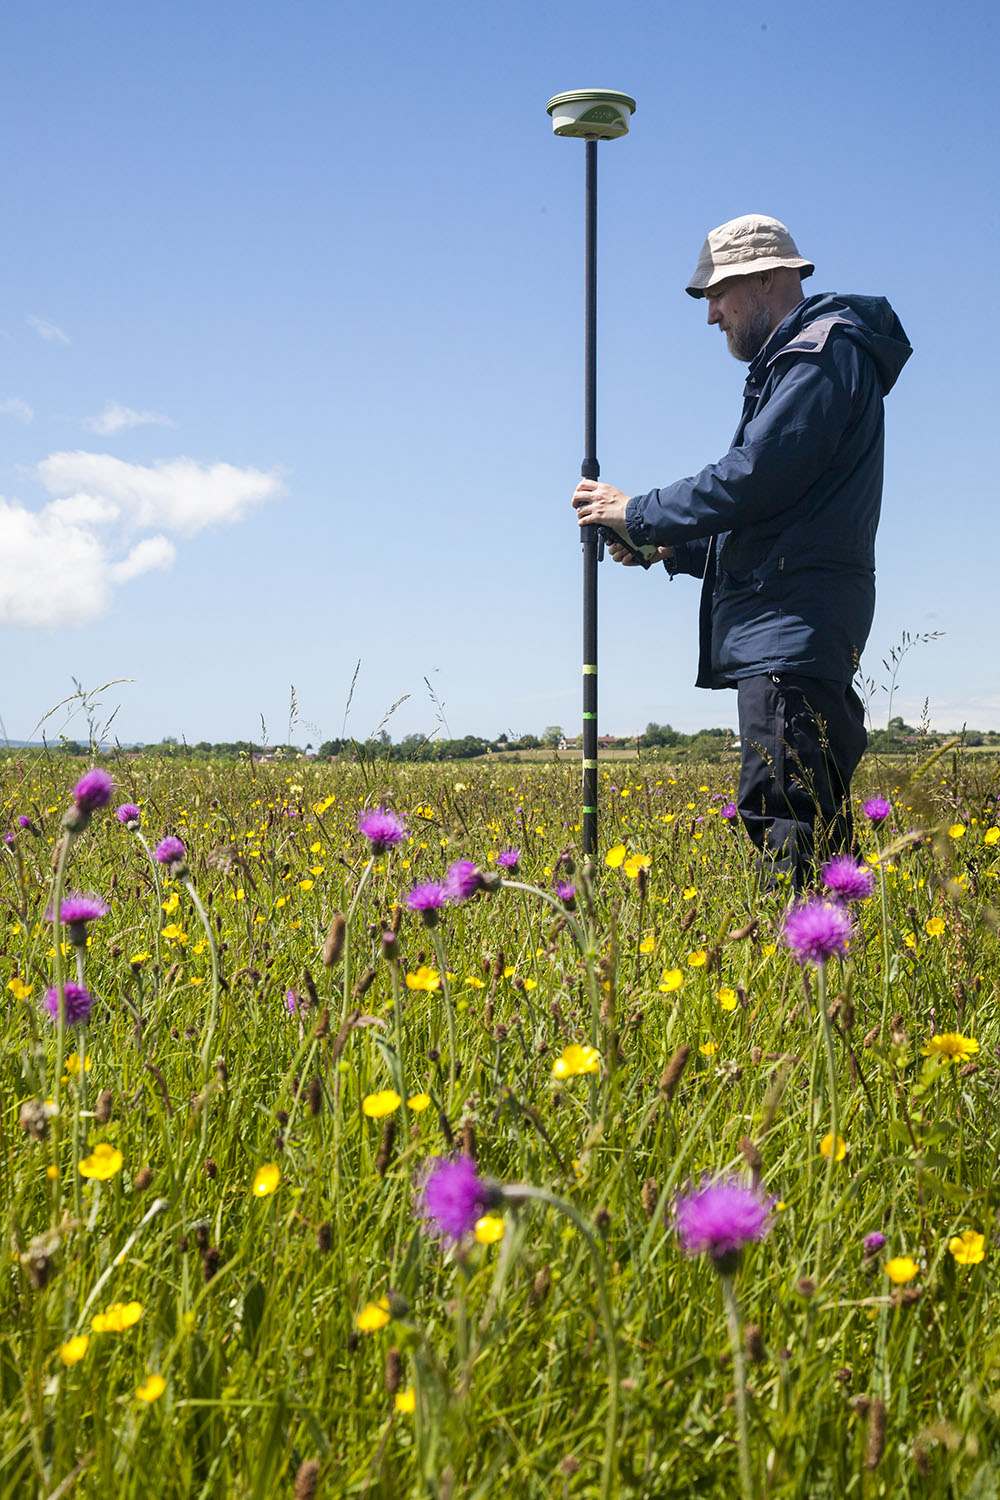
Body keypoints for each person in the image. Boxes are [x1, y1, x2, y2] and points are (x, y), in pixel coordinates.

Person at [572, 213, 912, 888]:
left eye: (716, 295)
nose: (711, 316)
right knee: (812, 823)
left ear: (765, 278)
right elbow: (781, 513)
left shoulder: (820, 356)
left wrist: (636, 511)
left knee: (784, 820)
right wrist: (664, 546)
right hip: (797, 623)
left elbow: (759, 475)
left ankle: (799, 979)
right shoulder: (810, 360)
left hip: (789, 630)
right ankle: (832, 978)